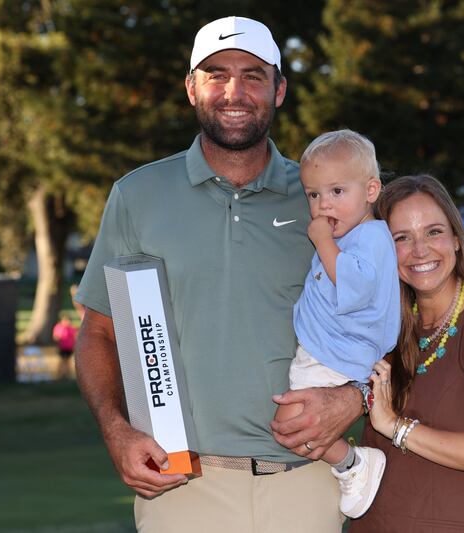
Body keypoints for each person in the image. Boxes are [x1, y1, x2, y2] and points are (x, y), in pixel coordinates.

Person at [74, 16, 362, 532]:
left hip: (307, 479)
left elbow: (383, 317)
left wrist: (353, 397)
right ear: (192, 89)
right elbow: (98, 331)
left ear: (279, 91)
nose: (235, 91)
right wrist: (116, 430)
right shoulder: (137, 196)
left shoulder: (327, 198)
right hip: (181, 483)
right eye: (217, 74)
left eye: (253, 75)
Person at [350, 174, 464, 533]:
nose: (420, 250)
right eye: (402, 238)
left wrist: (394, 427)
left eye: (433, 232)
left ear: (456, 239)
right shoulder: (387, 331)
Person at [274, 129, 400, 518]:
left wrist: (322, 242)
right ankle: (349, 463)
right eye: (314, 195)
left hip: (337, 357)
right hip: (326, 351)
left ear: (371, 190)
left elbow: (354, 287)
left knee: (290, 423)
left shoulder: (371, 238)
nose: (323, 205)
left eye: (337, 192)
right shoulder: (351, 235)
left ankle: (354, 464)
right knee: (290, 425)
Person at [52, 313, 77, 379]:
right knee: (62, 361)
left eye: (68, 320)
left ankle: (67, 374)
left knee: (67, 361)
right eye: (65, 320)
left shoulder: (72, 328)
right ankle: (60, 374)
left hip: (69, 347)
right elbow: (55, 337)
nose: (67, 322)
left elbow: (75, 337)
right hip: (62, 347)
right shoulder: (58, 327)